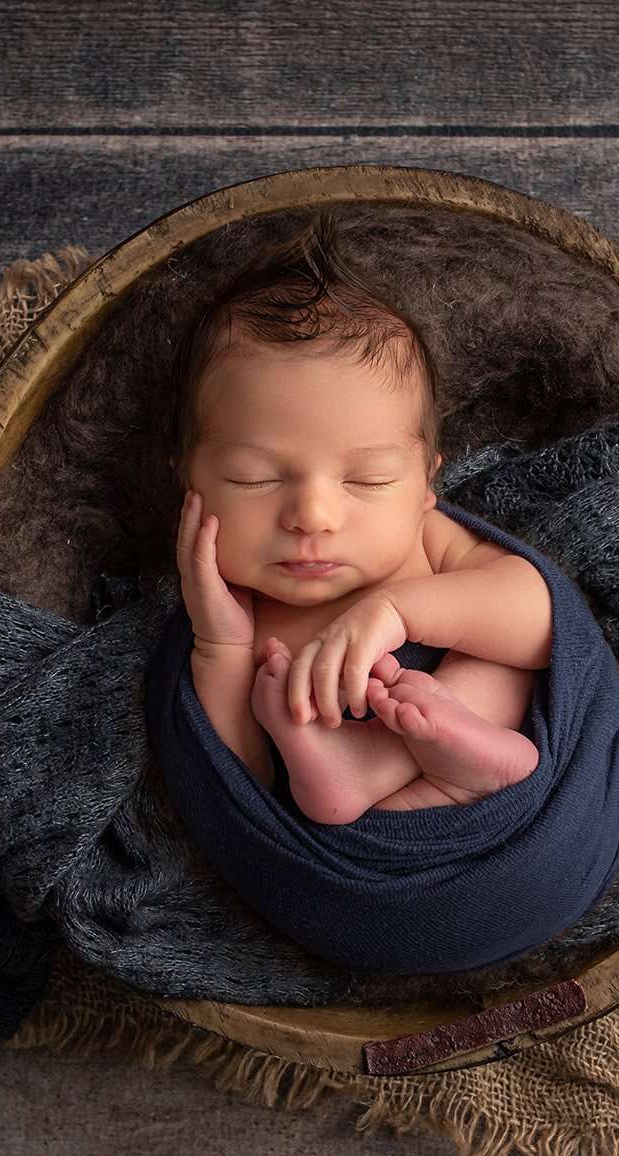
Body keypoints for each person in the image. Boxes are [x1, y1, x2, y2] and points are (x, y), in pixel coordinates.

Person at [167, 210, 552, 825]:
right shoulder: (231, 612)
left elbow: (543, 624)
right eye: (254, 478)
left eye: (367, 479)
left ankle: (381, 766)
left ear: (427, 483)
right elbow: (242, 789)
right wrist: (220, 644)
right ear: (187, 479)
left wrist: (396, 610)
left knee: (495, 643)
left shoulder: (428, 539)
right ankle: (409, 783)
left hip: (501, 789)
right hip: (363, 856)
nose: (313, 516)